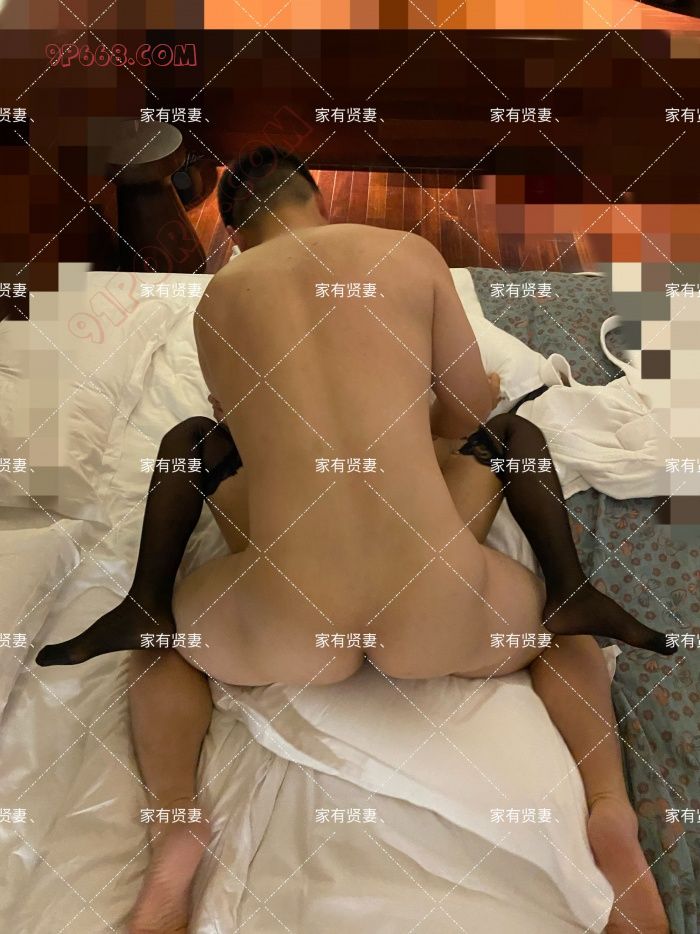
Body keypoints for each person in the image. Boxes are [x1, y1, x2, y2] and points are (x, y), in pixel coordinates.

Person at [36, 147, 671, 934]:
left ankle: (175, 825)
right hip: (439, 611)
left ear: (235, 234)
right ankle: (608, 809)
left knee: (161, 639)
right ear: (319, 203)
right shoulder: (407, 253)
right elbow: (464, 413)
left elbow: (245, 437)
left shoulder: (217, 300)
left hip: (284, 623)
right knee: (556, 626)